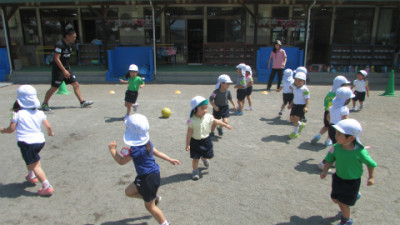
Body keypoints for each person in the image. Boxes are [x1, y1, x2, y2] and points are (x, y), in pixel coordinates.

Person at [108, 113, 180, 225]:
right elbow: (157, 152)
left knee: (150, 207)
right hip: (152, 175)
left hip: (147, 179)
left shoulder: (135, 150)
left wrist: (113, 150)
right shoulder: (147, 142)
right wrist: (169, 159)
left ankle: (165, 223)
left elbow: (121, 161)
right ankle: (153, 198)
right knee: (128, 192)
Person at [320, 119, 377, 225]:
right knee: (335, 199)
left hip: (352, 182)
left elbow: (371, 164)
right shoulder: (336, 147)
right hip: (338, 178)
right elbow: (329, 159)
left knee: (343, 204)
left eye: (339, 134)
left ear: (351, 138)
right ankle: (354, 197)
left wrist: (371, 177)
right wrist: (324, 171)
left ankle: (347, 220)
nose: (336, 136)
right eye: (336, 133)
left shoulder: (360, 152)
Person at [1, 85, 55, 196]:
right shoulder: (39, 113)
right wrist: (50, 132)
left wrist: (2, 130)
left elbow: (11, 129)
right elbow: (48, 126)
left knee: (36, 165)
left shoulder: (17, 114)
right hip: (40, 142)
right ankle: (31, 176)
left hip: (26, 143)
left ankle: (46, 186)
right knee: (33, 158)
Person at [41, 28, 93, 111]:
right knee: (54, 87)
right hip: (58, 70)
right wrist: (63, 71)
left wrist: (68, 70)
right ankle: (45, 104)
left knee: (76, 84)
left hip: (66, 68)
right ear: (67, 36)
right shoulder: (59, 44)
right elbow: (56, 59)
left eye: (75, 37)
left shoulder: (69, 45)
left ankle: (82, 102)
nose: (74, 39)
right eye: (73, 37)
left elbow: (66, 60)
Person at [186, 96, 232, 180]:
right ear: (195, 109)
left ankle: (204, 158)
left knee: (208, 155)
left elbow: (216, 121)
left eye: (206, 108)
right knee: (195, 158)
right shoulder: (190, 120)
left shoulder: (208, 116)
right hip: (195, 142)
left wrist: (225, 124)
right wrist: (188, 144)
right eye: (202, 108)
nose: (205, 110)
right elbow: (189, 133)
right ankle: (195, 171)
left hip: (206, 140)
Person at [318, 87, 354, 170]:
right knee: (337, 148)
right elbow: (346, 121)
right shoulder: (344, 109)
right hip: (340, 130)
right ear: (346, 100)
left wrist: (331, 123)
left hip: (332, 128)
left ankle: (333, 162)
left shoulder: (332, 107)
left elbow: (328, 116)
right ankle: (324, 163)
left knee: (336, 146)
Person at [311, 75, 351, 146]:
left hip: (327, 111)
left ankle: (319, 135)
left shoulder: (330, 93)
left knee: (326, 126)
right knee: (333, 128)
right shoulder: (339, 94)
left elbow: (325, 103)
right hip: (335, 114)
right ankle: (328, 141)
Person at [288, 72, 309, 139]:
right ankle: (301, 124)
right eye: (296, 80)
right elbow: (295, 97)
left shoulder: (305, 89)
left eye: (300, 80)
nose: (298, 82)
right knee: (291, 119)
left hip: (301, 106)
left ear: (304, 81)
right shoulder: (295, 88)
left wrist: (306, 107)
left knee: (296, 118)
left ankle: (295, 132)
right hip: (295, 105)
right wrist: (291, 104)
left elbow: (307, 99)